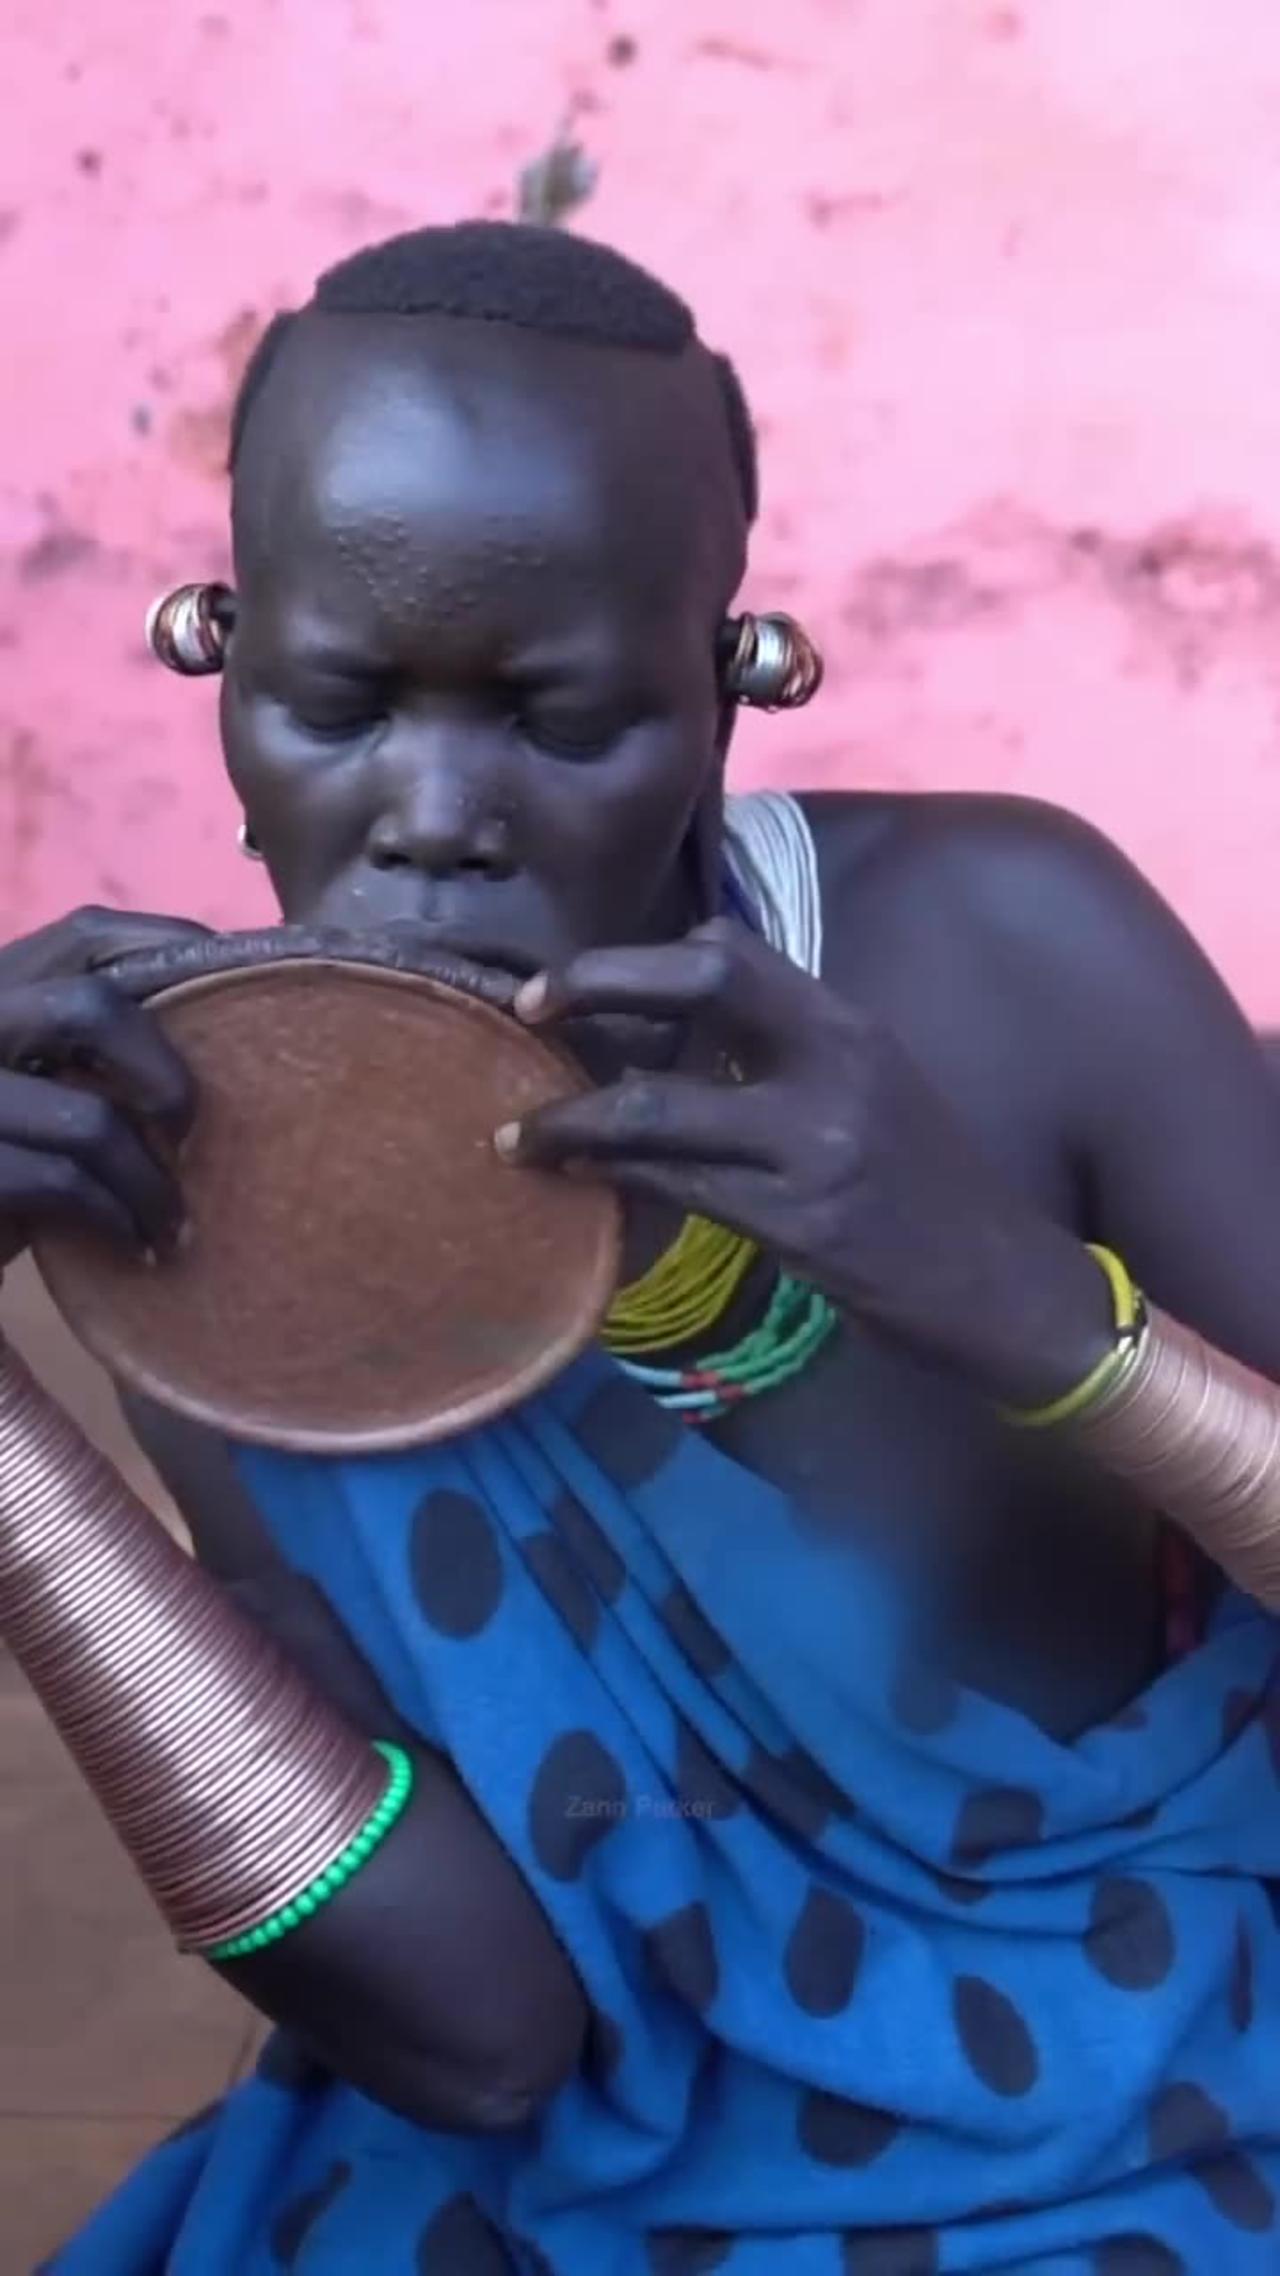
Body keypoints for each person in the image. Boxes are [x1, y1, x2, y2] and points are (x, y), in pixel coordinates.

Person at [11, 220, 1280, 2275]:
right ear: (217, 660)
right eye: (338, 705)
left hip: (1179, 2050)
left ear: (726, 687)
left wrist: (1028, 1307)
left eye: (560, 720)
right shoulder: (199, 1181)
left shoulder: (1009, 955)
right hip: (617, 2161)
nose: (433, 814)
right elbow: (491, 2046)